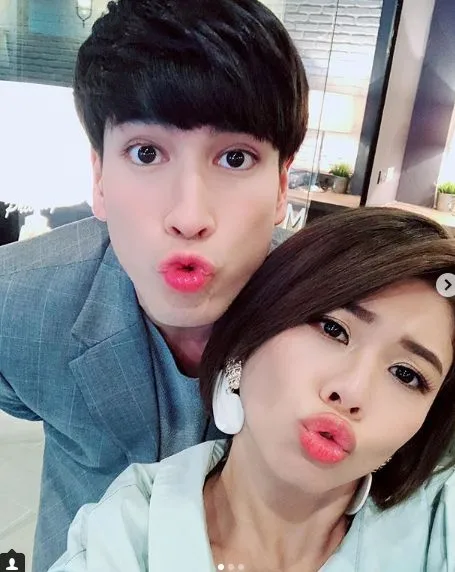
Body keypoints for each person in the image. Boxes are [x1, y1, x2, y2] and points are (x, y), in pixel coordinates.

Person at [0, 1, 308, 570]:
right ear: (98, 176)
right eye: (146, 153)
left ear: (282, 185)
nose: (189, 216)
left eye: (235, 158)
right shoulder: (17, 300)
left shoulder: (333, 312)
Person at [48, 208, 455, 572]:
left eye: (406, 375)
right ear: (250, 335)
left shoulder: (436, 528)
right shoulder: (120, 540)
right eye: (334, 329)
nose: (351, 392)